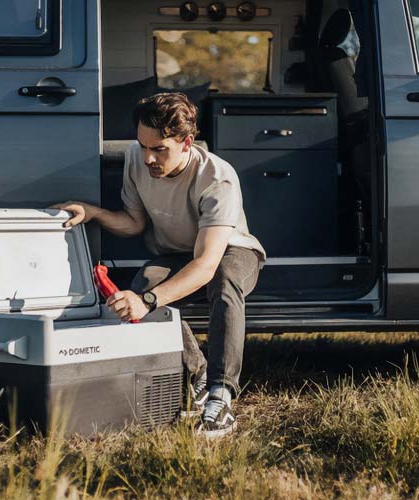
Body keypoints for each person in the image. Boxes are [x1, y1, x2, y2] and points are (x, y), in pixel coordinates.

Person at [52, 92, 265, 437]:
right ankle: (197, 377)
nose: (148, 157)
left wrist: (148, 302)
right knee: (143, 282)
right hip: (177, 253)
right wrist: (92, 213)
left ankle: (221, 396)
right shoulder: (137, 158)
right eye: (143, 145)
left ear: (187, 143)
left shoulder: (216, 177)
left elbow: (207, 264)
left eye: (159, 149)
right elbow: (134, 222)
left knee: (224, 282)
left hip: (229, 252)